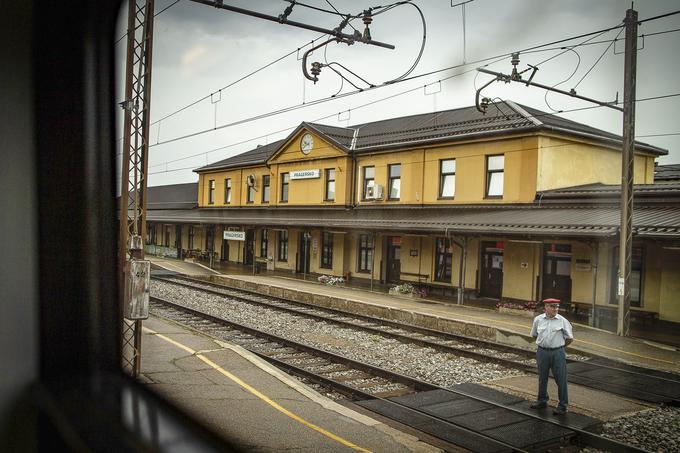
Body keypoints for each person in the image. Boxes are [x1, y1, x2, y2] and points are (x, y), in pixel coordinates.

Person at [529, 298, 574, 415]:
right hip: (542, 352)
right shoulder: (538, 320)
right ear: (546, 307)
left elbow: (570, 338)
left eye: (557, 306)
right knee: (542, 378)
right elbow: (534, 335)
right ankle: (542, 400)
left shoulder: (562, 321)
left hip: (557, 352)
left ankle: (563, 405)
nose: (556, 309)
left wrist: (559, 347)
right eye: (553, 306)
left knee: (561, 379)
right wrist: (544, 344)